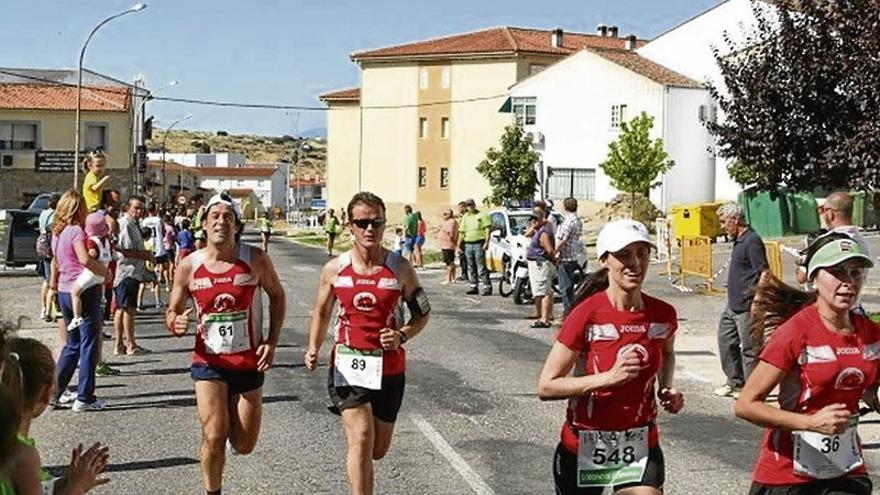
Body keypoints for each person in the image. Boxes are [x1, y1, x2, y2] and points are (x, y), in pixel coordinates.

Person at [537, 219, 683, 495]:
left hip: (639, 441)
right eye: (625, 255)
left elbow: (667, 351)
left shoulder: (663, 315)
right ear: (605, 260)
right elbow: (547, 386)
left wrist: (666, 387)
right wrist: (609, 378)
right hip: (585, 442)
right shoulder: (586, 314)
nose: (636, 263)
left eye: (642, 253)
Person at [305, 192, 430, 495]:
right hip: (348, 364)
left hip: (389, 367)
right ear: (350, 226)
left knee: (377, 449)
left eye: (376, 222)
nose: (369, 229)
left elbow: (422, 313)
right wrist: (313, 347)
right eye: (362, 223)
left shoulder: (400, 268)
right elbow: (322, 312)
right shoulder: (334, 270)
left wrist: (402, 335)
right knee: (360, 438)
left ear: (385, 224)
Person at [736, 234, 877, 495]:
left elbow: (871, 389)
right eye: (837, 272)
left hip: (845, 468)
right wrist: (811, 423)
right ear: (813, 278)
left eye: (855, 273)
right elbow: (746, 405)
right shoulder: (795, 332)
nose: (848, 282)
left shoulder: (871, 335)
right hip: (788, 474)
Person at [166, 193, 285, 495]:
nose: (221, 222)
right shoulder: (189, 265)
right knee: (215, 435)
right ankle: (212, 490)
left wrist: (271, 341)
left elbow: (277, 295)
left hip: (248, 362)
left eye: (228, 217)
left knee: (244, 445)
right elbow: (173, 310)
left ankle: (228, 411)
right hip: (208, 362)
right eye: (215, 217)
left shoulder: (255, 259)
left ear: (236, 226)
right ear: (204, 224)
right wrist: (175, 322)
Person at [0, 330, 111, 494]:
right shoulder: (21, 455)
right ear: (46, 393)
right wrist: (78, 486)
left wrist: (71, 480)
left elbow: (40, 489)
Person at [50, 191, 110, 412]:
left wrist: (53, 285)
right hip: (84, 289)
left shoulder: (57, 232)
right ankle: (85, 396)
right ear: (78, 210)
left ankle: (54, 391)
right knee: (89, 344)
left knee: (72, 344)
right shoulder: (75, 231)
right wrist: (104, 272)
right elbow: (85, 258)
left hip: (65, 290)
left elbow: (56, 262)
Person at [714, 202, 768, 398]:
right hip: (733, 304)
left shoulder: (752, 240)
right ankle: (735, 382)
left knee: (750, 348)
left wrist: (758, 301)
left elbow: (764, 273)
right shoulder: (738, 240)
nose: (722, 226)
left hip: (747, 305)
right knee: (726, 341)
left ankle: (752, 390)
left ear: (735, 219)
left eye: (723, 222)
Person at [795, 192, 872, 286]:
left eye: (823, 210)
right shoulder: (862, 242)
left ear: (831, 213)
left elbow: (801, 278)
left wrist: (807, 253)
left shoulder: (824, 242)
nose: (822, 214)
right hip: (854, 298)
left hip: (826, 299)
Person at [113, 196, 153, 356]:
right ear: (127, 208)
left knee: (122, 308)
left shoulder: (134, 224)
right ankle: (130, 344)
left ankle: (120, 344)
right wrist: (146, 255)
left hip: (132, 272)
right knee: (128, 309)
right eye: (136, 208)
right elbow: (125, 250)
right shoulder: (126, 224)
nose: (138, 212)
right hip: (127, 271)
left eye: (141, 209)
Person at [66, 212, 114, 331]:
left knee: (75, 292)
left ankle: (77, 316)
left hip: (92, 272)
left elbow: (92, 254)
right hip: (104, 271)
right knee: (99, 286)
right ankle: (103, 298)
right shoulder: (106, 240)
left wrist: (83, 255)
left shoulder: (91, 240)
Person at [525, 207, 556, 328]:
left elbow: (549, 250)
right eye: (532, 219)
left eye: (536, 219)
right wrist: (534, 226)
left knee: (544, 291)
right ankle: (540, 313)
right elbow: (527, 234)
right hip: (535, 263)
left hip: (541, 264)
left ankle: (545, 319)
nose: (534, 221)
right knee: (538, 291)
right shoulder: (538, 229)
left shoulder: (543, 232)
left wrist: (553, 260)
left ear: (542, 219)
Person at [555, 197, 585, 314]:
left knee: (565, 287)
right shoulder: (578, 221)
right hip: (573, 256)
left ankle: (568, 312)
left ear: (564, 206)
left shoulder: (568, 222)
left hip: (565, 257)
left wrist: (554, 252)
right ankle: (570, 310)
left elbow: (563, 240)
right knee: (569, 286)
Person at [460, 199, 492, 296]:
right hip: (468, 243)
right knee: (471, 266)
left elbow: (487, 229)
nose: (470, 207)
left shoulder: (482, 215)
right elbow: (462, 232)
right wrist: (458, 245)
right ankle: (473, 286)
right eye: (468, 205)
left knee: (481, 266)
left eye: (471, 205)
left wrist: (486, 242)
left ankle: (487, 287)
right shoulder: (465, 217)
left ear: (474, 205)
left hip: (479, 243)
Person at [37, 193, 61, 323]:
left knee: (46, 280)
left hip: (42, 245)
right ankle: (50, 309)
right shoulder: (55, 216)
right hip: (51, 246)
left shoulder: (43, 213)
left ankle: (44, 308)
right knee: (52, 279)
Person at [137, 227, 162, 311]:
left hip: (141, 265)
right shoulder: (151, 243)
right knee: (156, 283)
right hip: (150, 265)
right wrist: (156, 265)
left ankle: (139, 302)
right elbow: (152, 255)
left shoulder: (139, 243)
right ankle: (158, 302)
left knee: (142, 284)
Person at [438, 208, 459, 284]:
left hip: (447, 245)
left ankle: (448, 279)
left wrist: (452, 240)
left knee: (449, 262)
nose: (444, 216)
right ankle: (453, 278)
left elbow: (450, 233)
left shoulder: (451, 222)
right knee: (451, 262)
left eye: (445, 214)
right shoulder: (450, 222)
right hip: (447, 245)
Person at [455, 201, 469, 282]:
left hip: (467, 238)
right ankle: (464, 274)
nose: (459, 209)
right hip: (461, 239)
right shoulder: (460, 216)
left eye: (460, 207)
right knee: (462, 257)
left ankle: (469, 274)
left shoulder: (466, 216)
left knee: (467, 258)